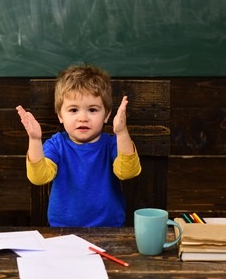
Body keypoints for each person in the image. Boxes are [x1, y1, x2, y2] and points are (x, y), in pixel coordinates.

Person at [16, 64, 141, 227]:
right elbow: (39, 178)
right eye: (74, 110)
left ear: (107, 115)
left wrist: (122, 133)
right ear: (60, 115)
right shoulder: (56, 144)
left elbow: (127, 172)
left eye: (93, 110)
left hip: (109, 228)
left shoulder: (111, 144)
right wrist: (34, 140)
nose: (83, 118)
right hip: (63, 229)